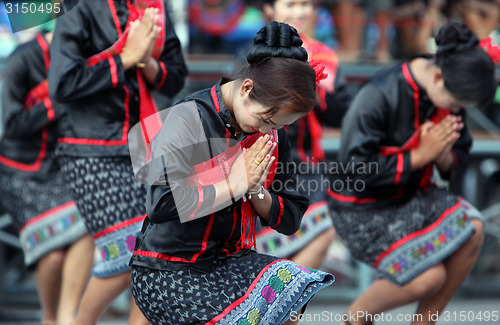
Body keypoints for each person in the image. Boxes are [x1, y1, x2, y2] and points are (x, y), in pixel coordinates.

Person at [129, 21, 335, 325]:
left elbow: (290, 218)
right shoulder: (192, 118)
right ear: (247, 89)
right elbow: (161, 204)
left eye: (279, 126)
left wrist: (254, 188)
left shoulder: (271, 132)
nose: (269, 131)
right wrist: (233, 183)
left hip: (228, 261)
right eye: (266, 119)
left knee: (293, 287)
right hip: (168, 268)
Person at [328, 21, 496, 325]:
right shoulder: (378, 95)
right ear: (437, 77)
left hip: (412, 196)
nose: (458, 110)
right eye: (457, 104)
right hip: (360, 208)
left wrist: (443, 156)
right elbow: (353, 172)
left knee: (473, 226)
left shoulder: (449, 91)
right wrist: (420, 155)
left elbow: (460, 155)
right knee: (427, 277)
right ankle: (355, 318)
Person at [48, 0, 188, 324]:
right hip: (89, 151)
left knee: (155, 252)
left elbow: (175, 78)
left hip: (146, 146)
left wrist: (146, 61)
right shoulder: (79, 8)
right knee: (128, 252)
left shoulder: (157, 6)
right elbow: (62, 83)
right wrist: (125, 58)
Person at [0, 29, 94, 325]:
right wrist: (57, 103)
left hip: (58, 171)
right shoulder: (23, 59)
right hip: (18, 172)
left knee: (90, 222)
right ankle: (50, 318)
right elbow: (11, 124)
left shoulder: (82, 64)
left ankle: (68, 318)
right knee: (53, 257)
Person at [253, 0, 351, 270]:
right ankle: (272, 302)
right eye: (290, 3)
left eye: (305, 4)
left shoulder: (323, 55)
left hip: (305, 167)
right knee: (268, 253)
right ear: (269, 10)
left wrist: (316, 93)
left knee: (324, 230)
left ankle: (279, 303)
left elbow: (341, 114)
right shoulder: (257, 52)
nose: (299, 12)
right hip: (261, 166)